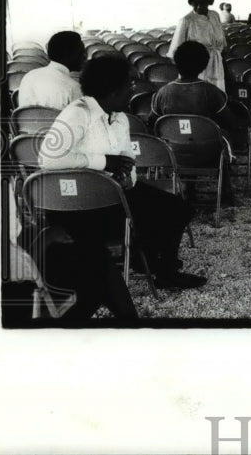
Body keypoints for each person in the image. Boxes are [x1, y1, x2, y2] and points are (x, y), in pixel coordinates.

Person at [36, 56, 205, 317]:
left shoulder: (120, 118)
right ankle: (145, 259)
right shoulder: (77, 113)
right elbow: (49, 158)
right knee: (149, 218)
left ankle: (162, 270)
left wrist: (129, 175)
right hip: (78, 203)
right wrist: (104, 162)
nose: (134, 89)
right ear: (112, 89)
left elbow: (127, 159)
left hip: (114, 194)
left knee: (177, 209)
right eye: (129, 84)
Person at [151, 41, 244, 205]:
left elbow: (153, 123)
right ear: (204, 65)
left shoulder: (162, 93)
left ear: (176, 63)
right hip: (209, 154)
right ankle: (226, 193)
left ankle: (188, 188)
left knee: (186, 136)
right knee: (220, 136)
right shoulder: (211, 92)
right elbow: (230, 122)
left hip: (172, 154)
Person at [168, 0, 227, 92]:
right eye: (196, 3)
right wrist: (190, 75)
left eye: (203, 3)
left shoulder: (215, 16)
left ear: (210, 1)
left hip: (217, 68)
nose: (199, 6)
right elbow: (174, 55)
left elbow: (222, 45)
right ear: (191, 1)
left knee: (216, 100)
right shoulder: (186, 21)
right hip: (196, 72)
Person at [17, 31, 85, 109]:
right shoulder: (73, 88)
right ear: (72, 55)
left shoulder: (28, 76)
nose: (85, 57)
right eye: (82, 52)